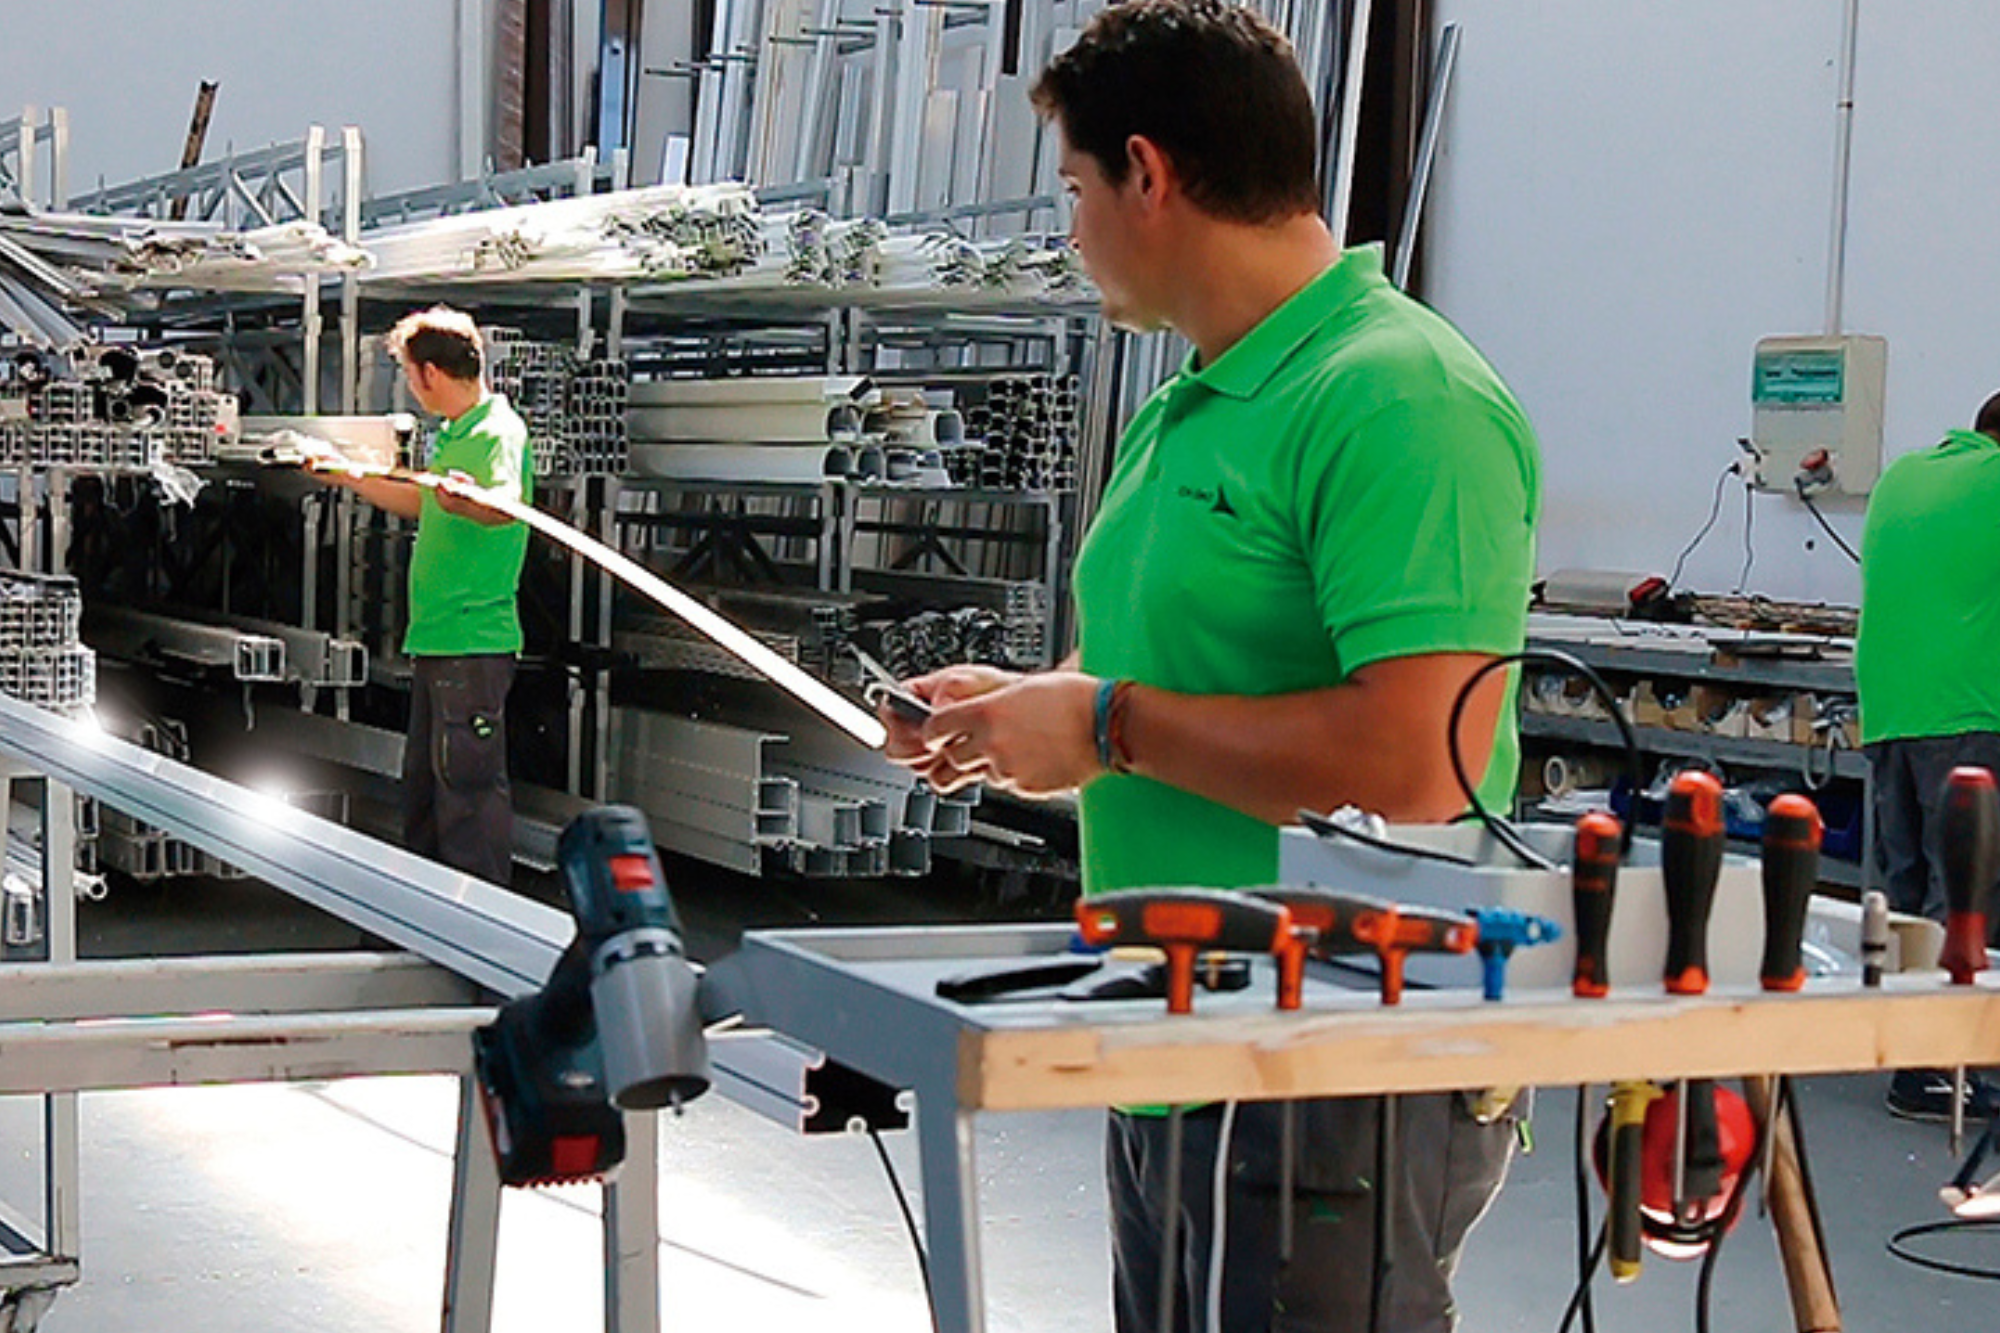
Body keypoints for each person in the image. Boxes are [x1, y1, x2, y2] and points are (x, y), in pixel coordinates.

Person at [881, 3, 1540, 1329]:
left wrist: (1108, 725)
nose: (1070, 231)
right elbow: (1159, 664)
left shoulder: (1396, 396)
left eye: (1074, 190)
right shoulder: (1191, 400)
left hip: (1328, 1067)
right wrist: (1031, 709)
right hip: (1170, 1035)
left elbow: (1423, 768)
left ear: (1148, 173)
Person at [309, 306, 532, 885]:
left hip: (472, 641)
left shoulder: (496, 431)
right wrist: (347, 475)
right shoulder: (457, 433)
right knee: (427, 792)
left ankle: (478, 922)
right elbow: (422, 502)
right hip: (439, 640)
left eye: (410, 375)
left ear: (430, 373)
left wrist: (469, 498)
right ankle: (424, 911)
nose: (411, 387)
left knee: (468, 794)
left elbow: (504, 504)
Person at [1856, 391, 2000, 1122]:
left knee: (1907, 887)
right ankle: (1940, 1067)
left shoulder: (1902, 477)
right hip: (1968, 712)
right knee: (1966, 892)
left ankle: (1906, 1055)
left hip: (1889, 710)